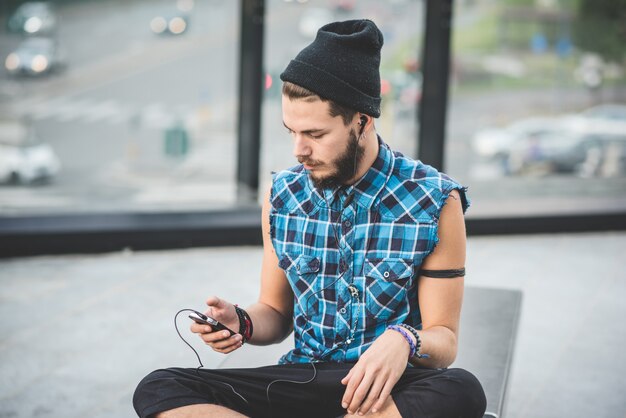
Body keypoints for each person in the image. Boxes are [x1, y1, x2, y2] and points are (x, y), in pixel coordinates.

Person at [133, 19, 486, 418]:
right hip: (301, 380)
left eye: (315, 135)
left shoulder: (435, 199)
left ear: (362, 122)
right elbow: (276, 313)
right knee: (160, 387)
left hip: (386, 385)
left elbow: (444, 340)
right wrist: (242, 323)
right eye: (291, 131)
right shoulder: (282, 195)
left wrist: (404, 339)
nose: (299, 149)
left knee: (462, 390)